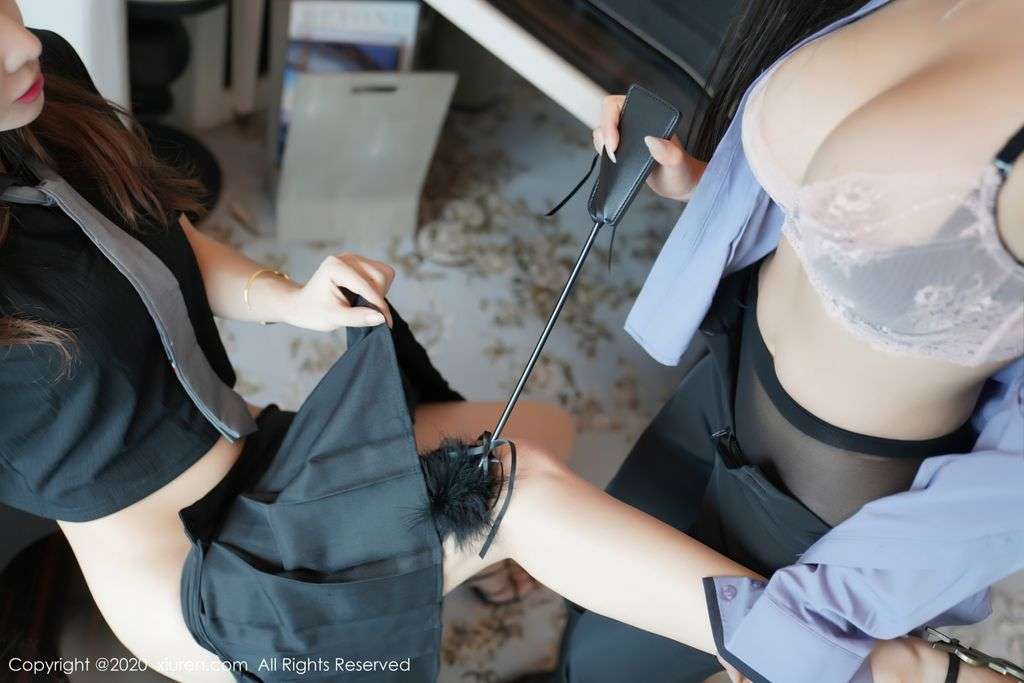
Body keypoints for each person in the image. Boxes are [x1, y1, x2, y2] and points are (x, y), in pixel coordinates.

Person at [0, 2, 1010, 683]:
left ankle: (447, 567)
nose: (19, 45)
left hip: (254, 454)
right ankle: (862, 663)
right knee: (512, 491)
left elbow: (146, 232)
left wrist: (288, 298)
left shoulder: (45, 83)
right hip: (192, 578)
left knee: (536, 428)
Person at [555, 0, 1024, 681]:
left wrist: (824, 630)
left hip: (825, 492)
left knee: (612, 663)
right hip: (730, 359)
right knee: (593, 582)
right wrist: (708, 181)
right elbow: (847, 209)